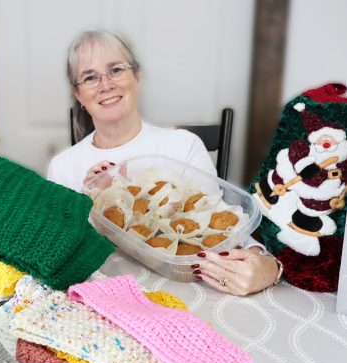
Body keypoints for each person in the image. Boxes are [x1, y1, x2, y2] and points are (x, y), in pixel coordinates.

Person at [47, 30, 281, 296]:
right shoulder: (64, 166)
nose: (105, 84)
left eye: (116, 70)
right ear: (77, 94)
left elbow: (222, 227)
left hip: (187, 296)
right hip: (109, 300)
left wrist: (267, 267)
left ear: (137, 75)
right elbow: (56, 255)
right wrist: (90, 201)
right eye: (90, 77)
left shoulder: (182, 146)